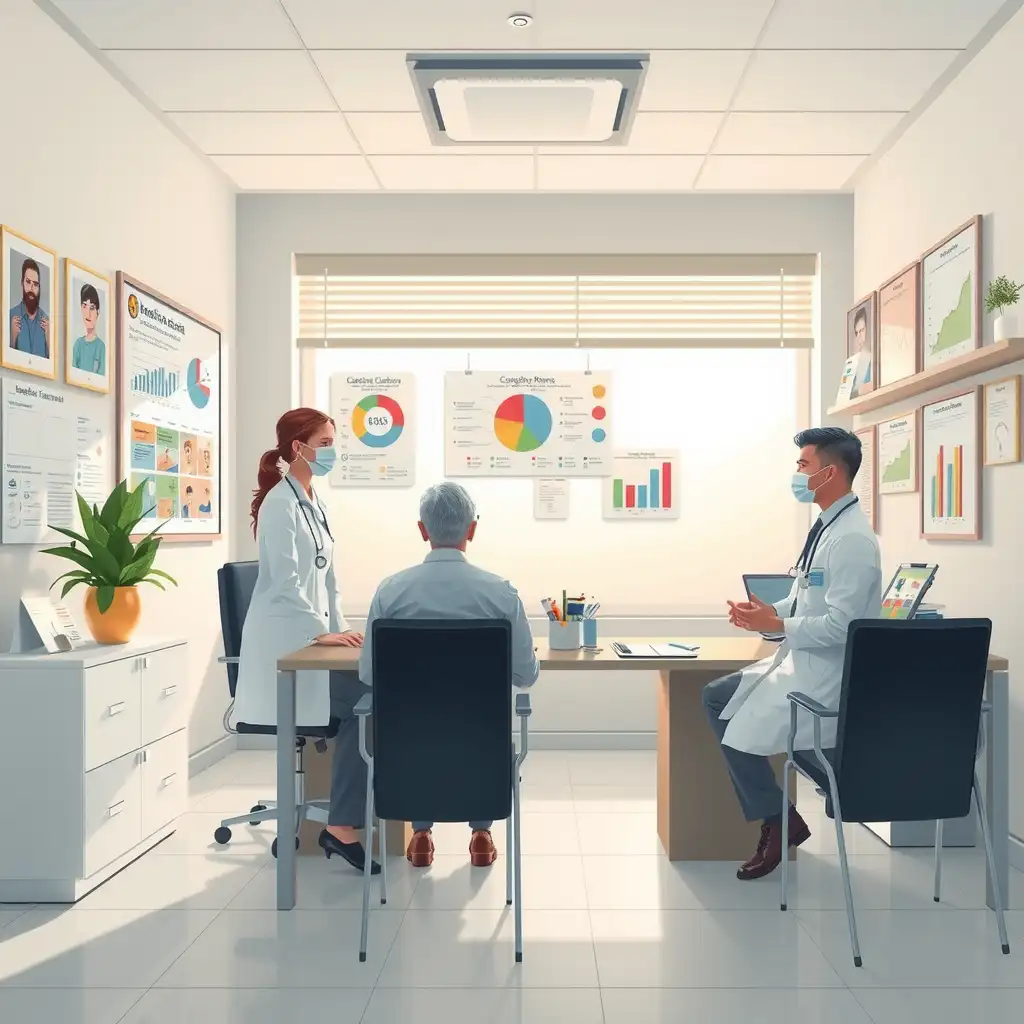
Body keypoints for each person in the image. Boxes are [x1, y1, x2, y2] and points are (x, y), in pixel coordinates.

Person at [702, 427, 881, 881]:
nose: (797, 475)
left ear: (830, 472)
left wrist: (777, 626)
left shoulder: (852, 541)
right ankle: (782, 817)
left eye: (803, 465)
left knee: (729, 709)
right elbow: (808, 596)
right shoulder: (827, 527)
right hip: (802, 664)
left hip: (825, 676)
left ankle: (798, 807)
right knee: (718, 698)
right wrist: (770, 612)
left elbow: (842, 626)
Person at [360, 481, 539, 869]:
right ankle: (480, 834)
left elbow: (369, 675)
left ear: (423, 530)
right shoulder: (501, 594)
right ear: (472, 529)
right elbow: (526, 676)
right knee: (474, 735)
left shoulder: (390, 592)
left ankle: (421, 834)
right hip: (481, 754)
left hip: (407, 753)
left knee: (421, 732)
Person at [233, 408, 379, 874]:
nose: (332, 451)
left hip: (312, 642)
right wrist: (321, 631)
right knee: (371, 701)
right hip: (283, 649)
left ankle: (345, 822)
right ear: (299, 447)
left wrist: (342, 630)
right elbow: (286, 583)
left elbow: (327, 579)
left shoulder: (313, 501)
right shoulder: (280, 503)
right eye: (326, 442)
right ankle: (342, 826)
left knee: (372, 692)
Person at [9, 258, 49, 358]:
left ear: (39, 288)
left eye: (35, 284)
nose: (31, 288)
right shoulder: (9, 316)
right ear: (22, 283)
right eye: (28, 282)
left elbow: (51, 368)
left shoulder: (47, 323)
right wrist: (12, 339)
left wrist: (49, 340)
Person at [71, 283, 106, 376]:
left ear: (98, 312)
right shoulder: (78, 344)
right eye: (85, 306)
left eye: (92, 308)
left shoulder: (101, 347)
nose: (88, 313)